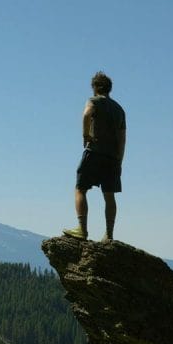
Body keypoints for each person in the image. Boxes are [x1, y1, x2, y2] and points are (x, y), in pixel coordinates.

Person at [63, 71, 126, 242]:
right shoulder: (119, 110)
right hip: (112, 157)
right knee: (109, 195)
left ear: (95, 87)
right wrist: (119, 160)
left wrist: (86, 135)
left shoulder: (94, 101)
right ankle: (109, 235)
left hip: (94, 152)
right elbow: (122, 139)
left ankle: (82, 229)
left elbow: (86, 114)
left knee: (80, 188)